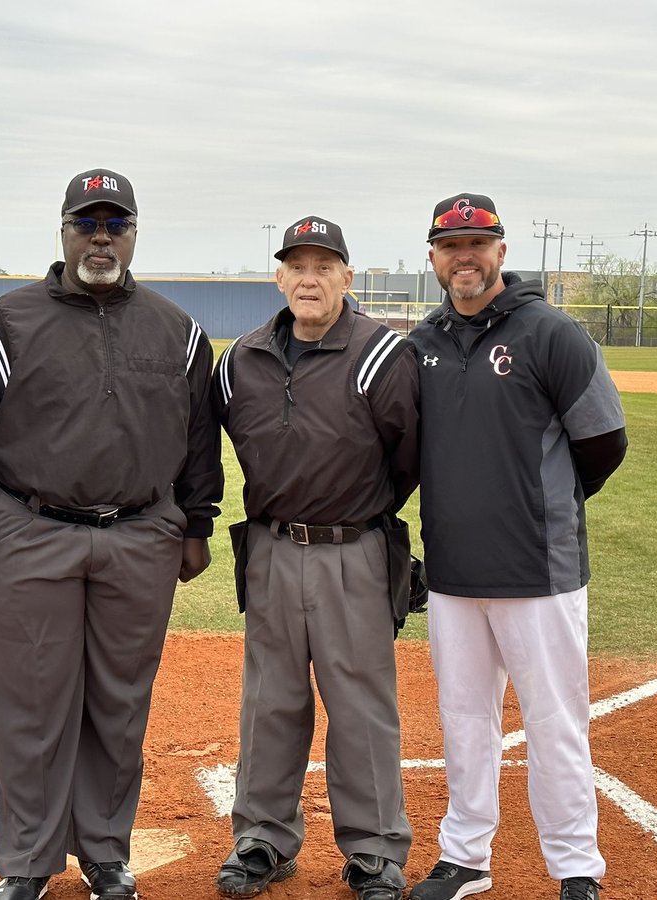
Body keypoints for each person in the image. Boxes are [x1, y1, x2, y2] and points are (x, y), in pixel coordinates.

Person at [0, 168, 223, 900]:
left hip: (141, 533)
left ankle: (104, 852)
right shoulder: (5, 322)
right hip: (28, 530)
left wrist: (196, 523)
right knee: (30, 702)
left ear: (132, 232)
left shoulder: (176, 329)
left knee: (120, 704)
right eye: (86, 223)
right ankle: (26, 861)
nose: (100, 237)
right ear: (62, 231)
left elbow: (197, 441)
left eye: (114, 223)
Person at [407, 194, 628, 900]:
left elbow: (603, 441)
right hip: (452, 571)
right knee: (464, 719)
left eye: (478, 243)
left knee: (555, 721)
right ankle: (466, 856)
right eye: (450, 244)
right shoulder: (424, 343)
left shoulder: (551, 333)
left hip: (541, 571)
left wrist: (547, 507)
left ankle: (575, 868)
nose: (463, 256)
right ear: (435, 256)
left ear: (501, 251)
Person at [211, 216, 420, 900]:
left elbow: (411, 456)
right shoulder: (241, 359)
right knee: (270, 701)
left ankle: (374, 850)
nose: (309, 278)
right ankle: (263, 839)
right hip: (270, 547)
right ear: (279, 277)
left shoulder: (382, 355)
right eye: (297, 265)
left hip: (352, 549)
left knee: (360, 705)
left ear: (346, 279)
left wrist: (362, 512)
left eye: (324, 267)